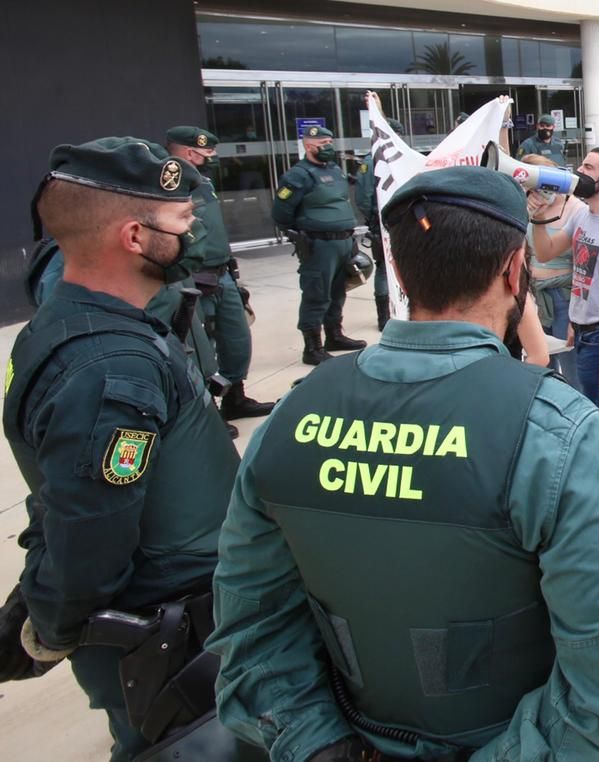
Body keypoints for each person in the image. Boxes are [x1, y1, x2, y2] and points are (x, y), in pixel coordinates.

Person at [209, 165, 599, 761]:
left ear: (397, 269)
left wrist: (318, 747)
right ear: (514, 270)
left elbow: (251, 633)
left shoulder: (290, 418)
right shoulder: (558, 433)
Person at [4, 138, 241, 761]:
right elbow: (92, 526)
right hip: (167, 638)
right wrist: (48, 626)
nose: (195, 233)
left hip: (175, 622)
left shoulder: (77, 326)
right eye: (182, 222)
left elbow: (67, 488)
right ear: (136, 237)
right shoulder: (113, 368)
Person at [163, 126, 272, 420]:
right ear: (189, 153)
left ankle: (236, 398)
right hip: (194, 277)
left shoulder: (204, 182)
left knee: (237, 338)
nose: (213, 158)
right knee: (201, 348)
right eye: (207, 153)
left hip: (223, 273)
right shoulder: (168, 186)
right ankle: (206, 411)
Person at [530, 146, 599, 427]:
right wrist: (540, 217)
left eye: (589, 168)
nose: (579, 172)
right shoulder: (582, 215)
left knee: (595, 421)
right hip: (583, 329)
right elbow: (546, 252)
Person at [272, 124, 367, 366]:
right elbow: (281, 212)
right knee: (317, 293)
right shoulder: (299, 175)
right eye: (322, 145)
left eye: (329, 143)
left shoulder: (335, 170)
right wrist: (302, 232)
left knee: (337, 292)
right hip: (319, 244)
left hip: (343, 241)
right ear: (308, 146)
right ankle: (312, 346)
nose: (328, 148)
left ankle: (334, 335)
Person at [519, 154, 579, 382]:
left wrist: (576, 316)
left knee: (573, 374)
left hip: (565, 297)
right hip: (534, 297)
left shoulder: (574, 208)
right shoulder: (526, 207)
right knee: (542, 373)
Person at [353, 147, 391, 331]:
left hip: (400, 218)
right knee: (383, 267)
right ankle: (384, 316)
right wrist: (373, 218)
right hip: (381, 222)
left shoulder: (398, 155)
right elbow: (363, 197)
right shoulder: (371, 162)